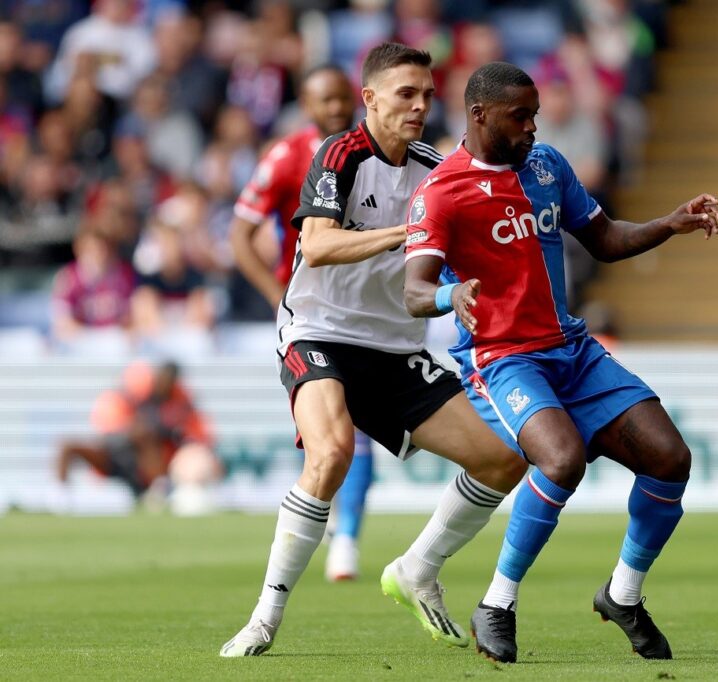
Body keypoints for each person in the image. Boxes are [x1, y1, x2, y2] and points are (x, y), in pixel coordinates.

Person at [403, 61, 718, 663]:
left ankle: (623, 595)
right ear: (478, 115)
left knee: (671, 458)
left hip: (571, 351)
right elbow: (413, 289)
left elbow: (604, 239)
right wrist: (452, 294)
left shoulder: (547, 165)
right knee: (561, 458)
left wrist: (668, 224)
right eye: (518, 117)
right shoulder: (441, 193)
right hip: (502, 361)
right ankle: (497, 602)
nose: (530, 127)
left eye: (535, 116)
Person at [219, 43, 527, 658]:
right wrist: (408, 231)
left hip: (392, 347)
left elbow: (466, 246)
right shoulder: (338, 155)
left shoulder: (436, 169)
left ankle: (417, 568)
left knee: (503, 461)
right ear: (371, 99)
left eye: (428, 95)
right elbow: (321, 244)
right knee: (331, 455)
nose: (419, 106)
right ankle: (264, 617)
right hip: (318, 331)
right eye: (405, 94)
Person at [230, 65, 370, 582]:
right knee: (322, 431)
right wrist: (274, 294)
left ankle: (347, 537)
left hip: (370, 307)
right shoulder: (287, 156)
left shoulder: (377, 150)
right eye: (325, 101)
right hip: (310, 312)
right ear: (306, 106)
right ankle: (329, 525)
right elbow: (240, 233)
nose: (336, 109)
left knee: (358, 429)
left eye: (342, 99)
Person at [55, 360, 217, 503]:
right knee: (68, 445)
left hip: (147, 464)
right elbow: (110, 428)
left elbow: (195, 433)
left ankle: (159, 488)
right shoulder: (131, 395)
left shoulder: (179, 403)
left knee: (146, 435)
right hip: (116, 454)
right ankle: (61, 496)